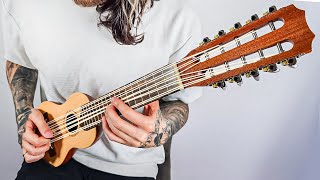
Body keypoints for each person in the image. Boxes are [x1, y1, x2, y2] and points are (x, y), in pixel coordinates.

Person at [1, 0, 202, 179]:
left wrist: (161, 129)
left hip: (129, 167)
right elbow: (20, 59)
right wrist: (24, 120)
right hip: (53, 152)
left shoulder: (178, 17)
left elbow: (179, 102)